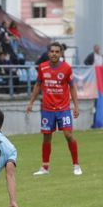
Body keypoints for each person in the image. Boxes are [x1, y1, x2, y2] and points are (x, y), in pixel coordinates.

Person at [26, 42, 82, 176]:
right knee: (46, 137)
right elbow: (38, 85)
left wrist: (76, 105)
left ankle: (76, 165)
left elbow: (72, 87)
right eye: (52, 51)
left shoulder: (67, 68)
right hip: (47, 109)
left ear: (61, 53)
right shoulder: (42, 67)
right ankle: (45, 168)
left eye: (57, 52)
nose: (54, 54)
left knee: (68, 135)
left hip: (63, 109)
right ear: (48, 53)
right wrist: (31, 102)